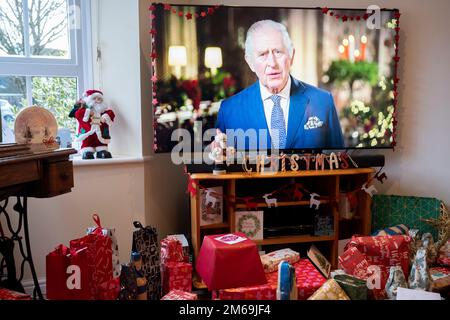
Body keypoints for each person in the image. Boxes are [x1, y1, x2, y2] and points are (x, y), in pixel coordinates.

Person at [215, 20, 344, 150]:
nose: (272, 63)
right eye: (263, 54)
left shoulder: (323, 102)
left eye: (278, 52)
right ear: (250, 62)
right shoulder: (229, 111)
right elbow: (219, 164)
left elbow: (341, 163)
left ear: (291, 55)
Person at [70, 89, 115, 159]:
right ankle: (87, 151)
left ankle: (101, 151)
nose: (97, 100)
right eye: (94, 98)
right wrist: (87, 112)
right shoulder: (84, 110)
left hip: (101, 133)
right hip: (88, 133)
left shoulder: (103, 111)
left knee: (101, 142)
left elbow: (111, 113)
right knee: (87, 142)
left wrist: (105, 117)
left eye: (100, 98)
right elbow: (77, 114)